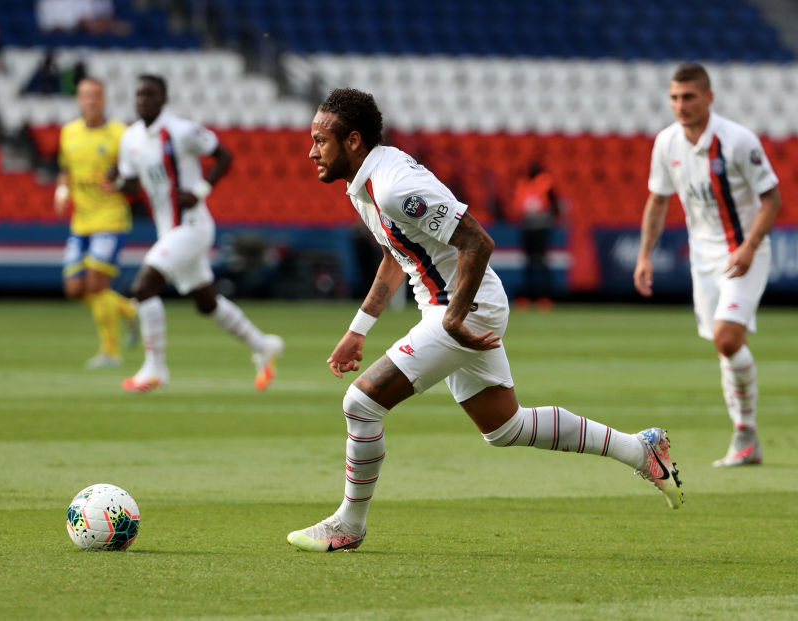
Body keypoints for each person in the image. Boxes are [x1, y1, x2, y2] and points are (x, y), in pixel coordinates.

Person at [286, 88, 683, 553]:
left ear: (353, 141)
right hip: (452, 306)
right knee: (504, 427)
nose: (311, 150)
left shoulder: (395, 187)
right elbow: (399, 254)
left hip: (464, 306)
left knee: (361, 403)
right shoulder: (368, 183)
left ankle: (348, 525)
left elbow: (478, 242)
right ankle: (641, 448)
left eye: (320, 140)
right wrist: (359, 329)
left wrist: (453, 319)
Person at [634, 64, 781, 467]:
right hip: (704, 259)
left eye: (689, 97)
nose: (681, 105)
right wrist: (645, 255)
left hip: (743, 253)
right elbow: (658, 200)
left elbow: (772, 198)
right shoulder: (666, 143)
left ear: (709, 97)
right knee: (724, 348)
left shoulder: (737, 141)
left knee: (727, 339)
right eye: (675, 98)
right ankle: (745, 442)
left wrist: (750, 245)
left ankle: (745, 433)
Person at [110, 74, 283, 393]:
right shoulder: (130, 138)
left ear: (164, 98)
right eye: (138, 95)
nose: (143, 100)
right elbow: (131, 186)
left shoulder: (181, 130)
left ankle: (155, 369)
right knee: (206, 302)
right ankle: (264, 345)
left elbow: (224, 156)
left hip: (192, 226)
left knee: (144, 286)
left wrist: (201, 190)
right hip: (167, 230)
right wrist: (117, 181)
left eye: (150, 94)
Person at [54, 76, 138, 369]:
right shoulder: (69, 133)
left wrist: (120, 183)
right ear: (78, 99)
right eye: (85, 95)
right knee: (74, 289)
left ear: (104, 100)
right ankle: (129, 311)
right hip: (81, 221)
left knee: (96, 285)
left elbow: (134, 177)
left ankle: (110, 352)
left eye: (96, 96)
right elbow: (65, 169)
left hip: (110, 218)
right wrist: (62, 191)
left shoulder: (120, 134)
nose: (90, 101)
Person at [511, 160, 560, 310]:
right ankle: (528, 296)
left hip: (541, 228)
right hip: (527, 228)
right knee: (529, 263)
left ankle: (544, 296)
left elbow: (555, 204)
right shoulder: (523, 184)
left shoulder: (545, 182)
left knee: (540, 262)